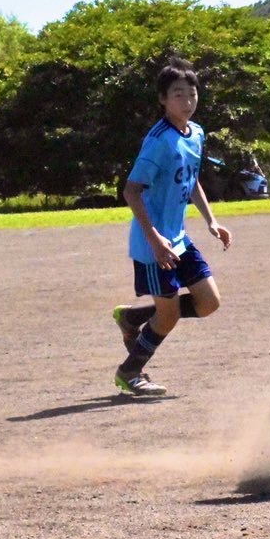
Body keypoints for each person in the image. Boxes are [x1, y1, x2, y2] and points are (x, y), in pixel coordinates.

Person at [112, 58, 232, 396]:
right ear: (163, 99)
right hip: (154, 246)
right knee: (167, 317)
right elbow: (131, 191)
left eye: (192, 94)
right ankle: (129, 372)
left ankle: (133, 318)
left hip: (178, 239)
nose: (188, 101)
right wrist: (155, 239)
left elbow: (191, 181)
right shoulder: (159, 141)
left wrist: (211, 221)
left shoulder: (195, 133)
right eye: (178, 95)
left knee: (209, 302)